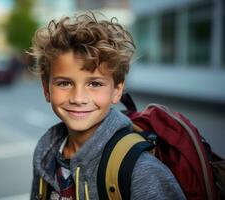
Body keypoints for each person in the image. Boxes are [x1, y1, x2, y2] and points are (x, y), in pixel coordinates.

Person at [29, 13, 186, 200]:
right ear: (46, 89)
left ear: (117, 90)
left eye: (95, 84)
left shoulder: (140, 170)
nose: (78, 98)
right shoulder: (46, 154)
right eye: (64, 83)